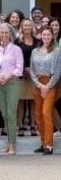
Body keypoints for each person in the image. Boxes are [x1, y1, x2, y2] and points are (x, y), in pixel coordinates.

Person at [0, 23, 24, 154]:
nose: (4, 35)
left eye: (6, 33)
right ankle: (9, 141)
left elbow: (19, 67)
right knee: (4, 114)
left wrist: (8, 77)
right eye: (1, 33)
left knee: (11, 114)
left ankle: (12, 145)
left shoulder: (16, 49)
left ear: (10, 35)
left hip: (12, 83)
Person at [30, 26, 61, 155]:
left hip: (50, 83)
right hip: (37, 84)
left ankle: (49, 144)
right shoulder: (35, 51)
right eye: (44, 35)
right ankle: (42, 143)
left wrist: (47, 86)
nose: (46, 37)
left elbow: (58, 70)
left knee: (46, 113)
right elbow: (31, 70)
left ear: (52, 36)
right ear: (40, 36)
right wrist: (39, 85)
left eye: (48, 35)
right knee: (38, 115)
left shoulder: (56, 51)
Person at [14, 18, 38, 137]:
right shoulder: (17, 41)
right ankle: (21, 126)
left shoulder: (38, 41)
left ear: (32, 26)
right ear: (21, 27)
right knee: (21, 101)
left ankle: (33, 126)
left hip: (35, 74)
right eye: (25, 25)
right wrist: (23, 69)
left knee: (33, 101)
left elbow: (41, 56)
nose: (27, 27)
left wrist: (32, 70)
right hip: (21, 74)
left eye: (29, 25)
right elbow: (14, 57)